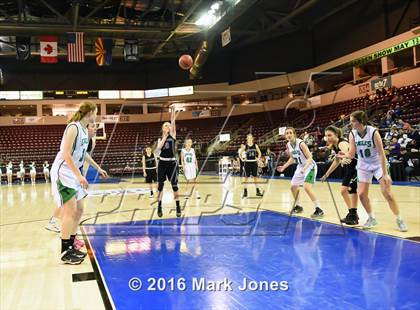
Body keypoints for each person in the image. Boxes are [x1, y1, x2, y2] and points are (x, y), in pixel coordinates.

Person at [50, 101, 108, 264]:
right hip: (63, 172)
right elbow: (66, 154)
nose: (96, 116)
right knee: (70, 210)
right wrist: (80, 176)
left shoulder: (84, 130)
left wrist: (98, 168)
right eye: (95, 112)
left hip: (73, 173)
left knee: (80, 209)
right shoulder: (73, 127)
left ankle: (71, 243)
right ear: (90, 112)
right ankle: (65, 251)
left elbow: (84, 155)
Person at [338, 110, 408, 231]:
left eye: (353, 121)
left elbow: (382, 154)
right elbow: (352, 153)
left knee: (387, 193)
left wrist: (385, 174)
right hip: (363, 165)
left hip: (377, 164)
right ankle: (371, 218)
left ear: (360, 122)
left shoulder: (373, 132)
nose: (351, 124)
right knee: (361, 194)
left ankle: (399, 219)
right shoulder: (352, 134)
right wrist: (343, 156)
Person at [277, 127, 323, 218]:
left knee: (307, 187)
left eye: (290, 133)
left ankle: (319, 209)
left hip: (310, 166)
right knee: (293, 187)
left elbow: (310, 157)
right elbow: (292, 158)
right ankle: (298, 206)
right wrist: (284, 167)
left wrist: (305, 168)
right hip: (300, 167)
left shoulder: (301, 143)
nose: (289, 135)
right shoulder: (288, 145)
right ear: (285, 136)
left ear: (294, 134)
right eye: (287, 133)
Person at [320, 126, 358, 225]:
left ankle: (354, 215)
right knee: (343, 191)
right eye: (326, 136)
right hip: (350, 169)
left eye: (329, 135)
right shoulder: (334, 146)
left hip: (357, 168)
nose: (327, 138)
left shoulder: (342, 143)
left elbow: (346, 151)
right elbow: (336, 161)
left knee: (350, 190)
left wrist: (345, 157)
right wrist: (326, 174)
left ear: (336, 135)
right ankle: (352, 213)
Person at [156, 110, 181, 218]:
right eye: (166, 125)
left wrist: (173, 112)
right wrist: (165, 136)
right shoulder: (160, 139)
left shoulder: (173, 136)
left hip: (172, 163)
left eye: (169, 126)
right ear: (163, 128)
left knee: (174, 186)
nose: (168, 127)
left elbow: (173, 122)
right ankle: (159, 206)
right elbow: (159, 148)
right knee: (160, 187)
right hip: (162, 163)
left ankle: (178, 206)